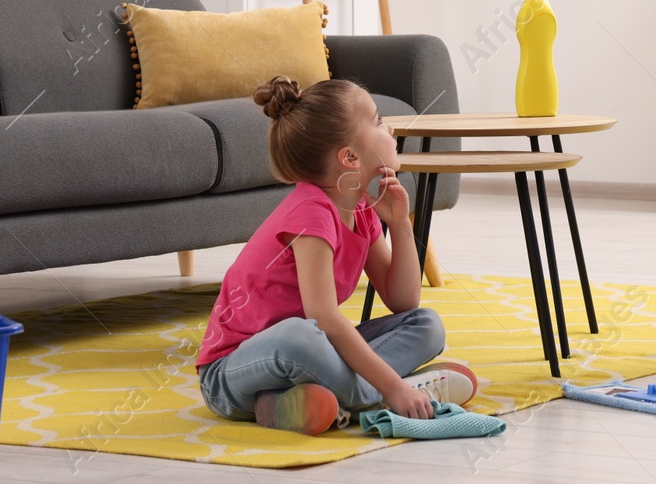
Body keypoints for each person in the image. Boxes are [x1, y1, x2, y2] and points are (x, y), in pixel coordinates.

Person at [195, 75, 476, 433]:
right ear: (350, 156)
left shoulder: (361, 209)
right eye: (376, 121)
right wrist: (393, 385)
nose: (388, 128)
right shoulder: (311, 212)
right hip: (232, 373)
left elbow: (403, 300)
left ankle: (295, 404)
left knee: (426, 324)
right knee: (299, 335)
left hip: (309, 360)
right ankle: (390, 394)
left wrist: (401, 224)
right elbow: (324, 320)